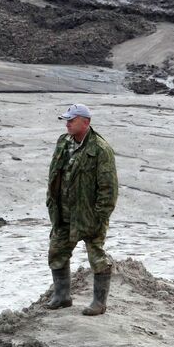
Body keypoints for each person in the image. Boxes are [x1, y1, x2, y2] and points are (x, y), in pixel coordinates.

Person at [45, 103, 118, 315]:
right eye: (66, 120)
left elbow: (108, 188)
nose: (67, 123)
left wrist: (100, 215)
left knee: (97, 257)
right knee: (56, 252)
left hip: (90, 214)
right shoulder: (63, 142)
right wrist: (52, 202)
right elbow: (55, 174)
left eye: (72, 120)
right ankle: (62, 296)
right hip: (64, 212)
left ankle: (99, 303)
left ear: (85, 122)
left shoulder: (100, 150)